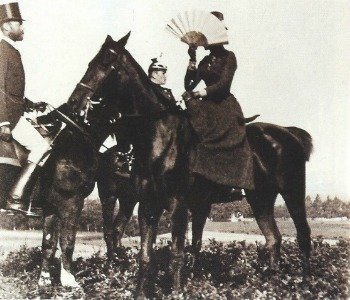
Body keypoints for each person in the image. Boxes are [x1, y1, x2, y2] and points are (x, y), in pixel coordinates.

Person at [182, 11, 254, 202]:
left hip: (224, 105)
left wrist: (200, 93)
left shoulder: (229, 57)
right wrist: (192, 59)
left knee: (224, 136)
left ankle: (230, 184)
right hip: (206, 105)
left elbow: (223, 85)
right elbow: (189, 85)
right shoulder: (205, 61)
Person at [0, 2, 49, 217]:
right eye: (19, 23)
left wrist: (30, 104)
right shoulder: (3, 50)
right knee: (42, 146)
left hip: (14, 112)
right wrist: (3, 122)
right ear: (6, 26)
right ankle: (16, 198)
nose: (22, 28)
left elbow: (11, 91)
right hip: (9, 117)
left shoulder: (9, 50)